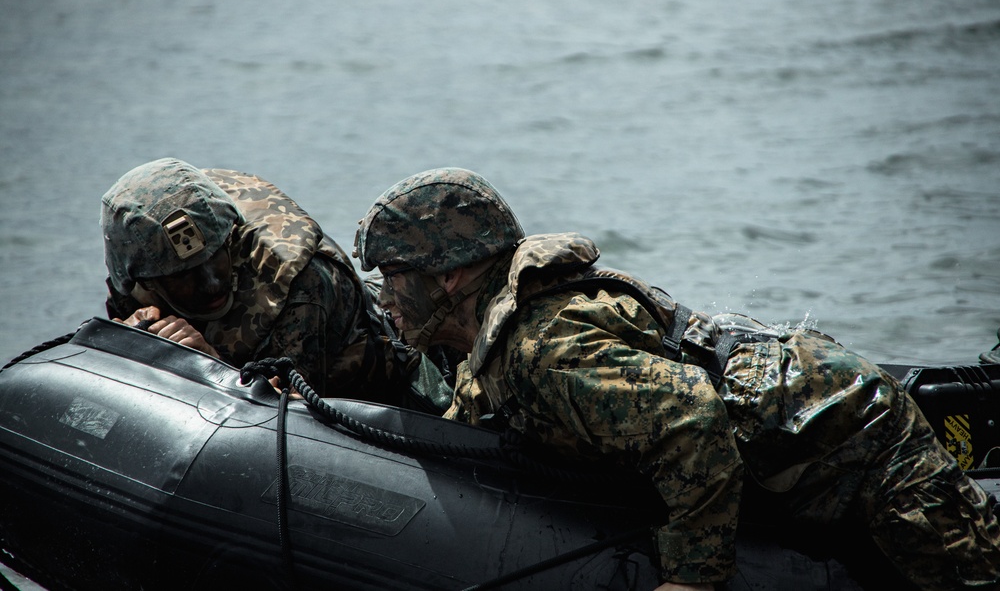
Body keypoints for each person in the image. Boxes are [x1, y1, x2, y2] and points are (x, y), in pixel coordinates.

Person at [352, 167, 1000, 591]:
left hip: (848, 432)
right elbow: (469, 418)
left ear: (451, 275)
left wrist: (693, 578)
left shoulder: (542, 349)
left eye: (393, 275)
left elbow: (691, 419)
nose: (385, 296)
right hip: (797, 431)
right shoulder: (498, 345)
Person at [101, 157, 452, 413]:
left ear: (230, 238)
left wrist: (207, 364)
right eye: (184, 275)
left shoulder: (299, 286)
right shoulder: (140, 261)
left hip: (384, 371)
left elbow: (292, 421)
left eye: (215, 258)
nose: (209, 284)